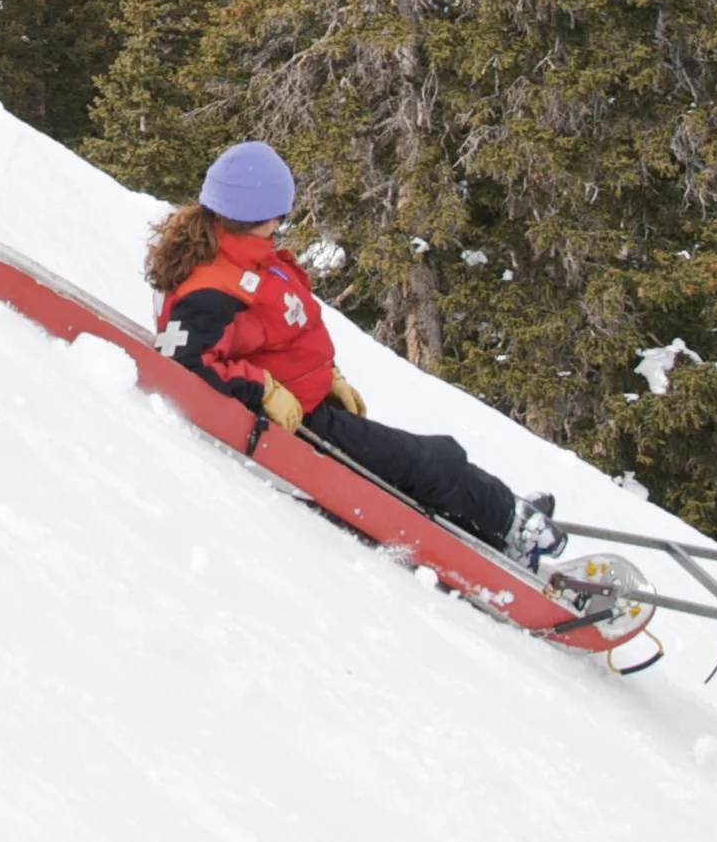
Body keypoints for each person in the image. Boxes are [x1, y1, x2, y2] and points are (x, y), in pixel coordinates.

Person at [148, 141, 560, 565]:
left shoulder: (250, 258)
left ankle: (495, 512)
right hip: (298, 425)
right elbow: (182, 361)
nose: (281, 223)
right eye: (278, 215)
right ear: (252, 216)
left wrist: (330, 378)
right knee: (428, 461)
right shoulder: (213, 288)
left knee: (406, 463)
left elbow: (282, 336)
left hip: (309, 403)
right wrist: (264, 390)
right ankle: (513, 525)